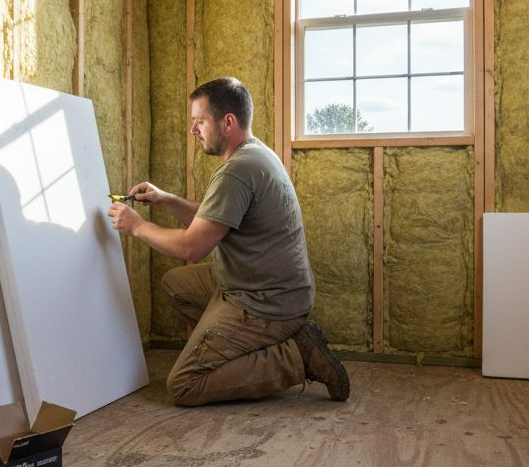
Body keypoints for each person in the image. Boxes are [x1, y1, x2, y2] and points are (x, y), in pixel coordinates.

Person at [107, 77, 349, 406]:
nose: (194, 130)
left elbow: (193, 248)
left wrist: (136, 226)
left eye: (200, 121)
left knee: (185, 385)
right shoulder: (255, 154)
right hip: (256, 283)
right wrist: (166, 199)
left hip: (267, 302)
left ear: (228, 122)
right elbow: (214, 221)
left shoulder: (238, 170)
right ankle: (228, 349)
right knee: (176, 284)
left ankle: (297, 356)